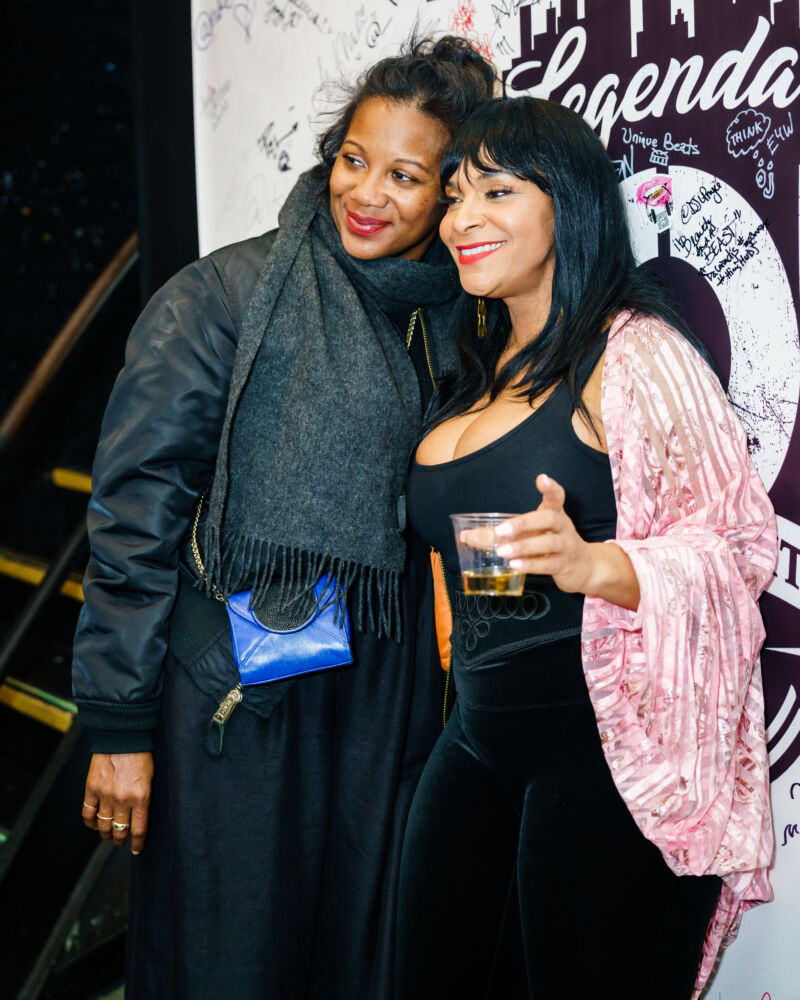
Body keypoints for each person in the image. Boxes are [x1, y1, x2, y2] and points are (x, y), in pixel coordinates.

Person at [71, 36, 496, 1000]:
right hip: (241, 699)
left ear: (448, 194)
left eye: (403, 176)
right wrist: (116, 723)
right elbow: (134, 516)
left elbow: (464, 501)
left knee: (356, 961)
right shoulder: (222, 297)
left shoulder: (456, 319)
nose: (366, 194)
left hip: (381, 705)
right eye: (353, 159)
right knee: (228, 960)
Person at [398, 96, 776, 1000]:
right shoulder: (473, 372)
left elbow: (738, 548)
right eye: (454, 196)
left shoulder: (637, 356)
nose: (461, 218)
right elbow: (488, 558)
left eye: (496, 191)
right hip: (475, 736)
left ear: (566, 204)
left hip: (602, 751)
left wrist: (597, 566)